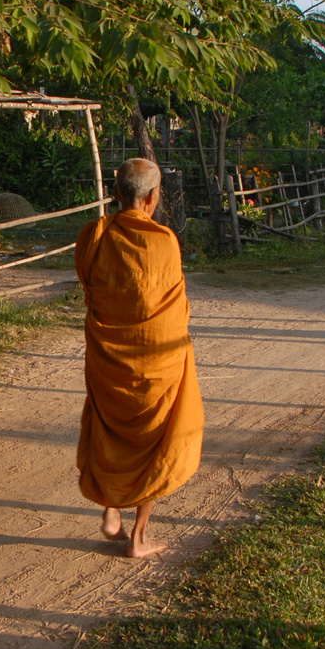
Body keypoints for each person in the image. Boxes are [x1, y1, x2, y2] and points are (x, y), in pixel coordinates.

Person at [74, 157, 204, 560]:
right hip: (157, 364)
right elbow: (175, 304)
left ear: (116, 194)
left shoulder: (94, 235)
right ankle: (138, 537)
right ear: (154, 196)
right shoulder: (165, 241)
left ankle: (111, 510)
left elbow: (89, 286)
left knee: (108, 424)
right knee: (156, 439)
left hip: (107, 358)